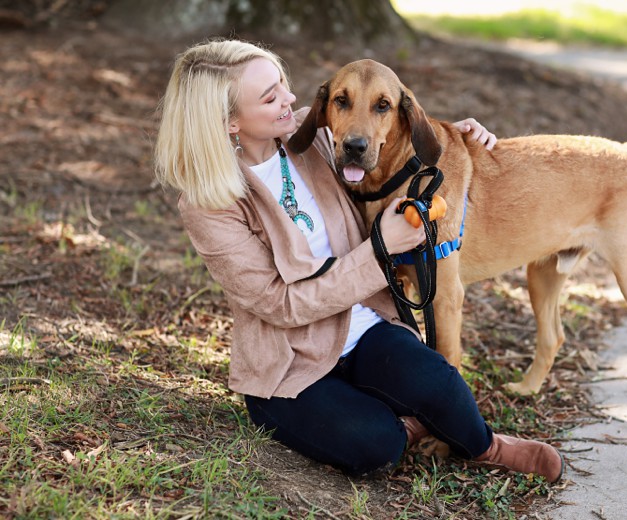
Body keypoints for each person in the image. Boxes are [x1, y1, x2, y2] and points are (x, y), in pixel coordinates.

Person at [154, 38, 563, 481]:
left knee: (442, 381)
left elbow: (384, 139)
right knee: (374, 443)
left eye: (284, 86)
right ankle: (393, 421)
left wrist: (452, 139)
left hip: (361, 329)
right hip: (291, 363)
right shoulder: (208, 204)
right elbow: (281, 305)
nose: (290, 99)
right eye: (270, 96)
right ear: (230, 120)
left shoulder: (311, 140)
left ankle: (488, 447)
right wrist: (379, 249)